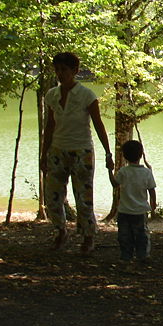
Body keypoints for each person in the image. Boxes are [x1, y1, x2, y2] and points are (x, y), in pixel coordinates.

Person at [41, 52, 114, 253]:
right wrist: (43, 154)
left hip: (82, 151)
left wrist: (108, 152)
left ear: (75, 71)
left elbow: (98, 125)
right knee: (52, 196)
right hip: (57, 150)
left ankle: (88, 236)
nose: (60, 73)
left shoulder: (87, 96)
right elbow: (49, 126)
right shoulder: (52, 95)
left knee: (83, 197)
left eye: (64, 69)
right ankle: (60, 231)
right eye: (57, 69)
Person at [107, 140, 157, 262]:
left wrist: (109, 170)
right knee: (141, 235)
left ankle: (126, 256)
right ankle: (142, 255)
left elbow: (115, 184)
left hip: (124, 210)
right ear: (141, 155)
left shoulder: (123, 171)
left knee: (124, 235)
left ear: (124, 156)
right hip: (140, 211)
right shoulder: (146, 172)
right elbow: (152, 189)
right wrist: (153, 204)